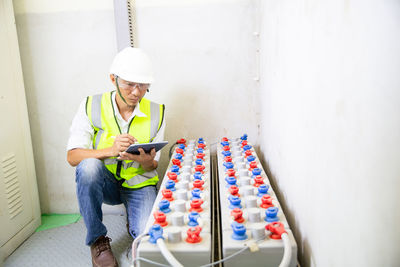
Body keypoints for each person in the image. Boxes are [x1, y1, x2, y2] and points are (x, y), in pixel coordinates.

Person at [67, 47, 165, 267]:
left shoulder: (157, 112)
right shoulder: (90, 106)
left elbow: (155, 162)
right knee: (88, 167)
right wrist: (109, 151)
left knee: (144, 240)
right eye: (129, 84)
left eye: (142, 85)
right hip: (107, 183)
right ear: (113, 79)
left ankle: (134, 216)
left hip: (140, 184)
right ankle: (97, 240)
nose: (136, 92)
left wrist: (145, 161)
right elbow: (73, 156)